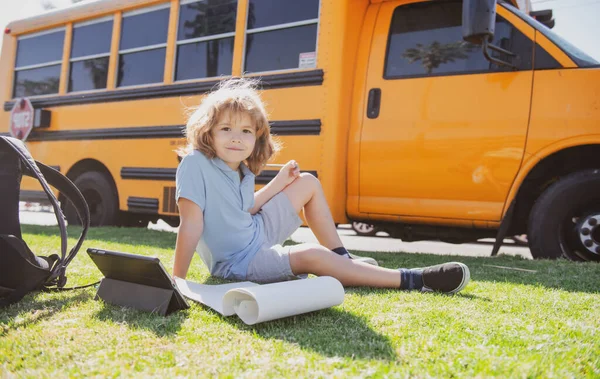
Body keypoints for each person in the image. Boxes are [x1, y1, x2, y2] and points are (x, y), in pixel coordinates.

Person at [172, 78, 470, 294]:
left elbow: (245, 209)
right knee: (311, 255)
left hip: (255, 233)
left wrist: (280, 182)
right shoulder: (196, 163)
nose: (236, 138)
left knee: (307, 183)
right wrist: (179, 281)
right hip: (238, 262)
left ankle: (342, 259)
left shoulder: (240, 169)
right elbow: (191, 225)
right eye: (226, 129)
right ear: (207, 133)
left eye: (246, 131)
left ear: (257, 137)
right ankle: (412, 279)